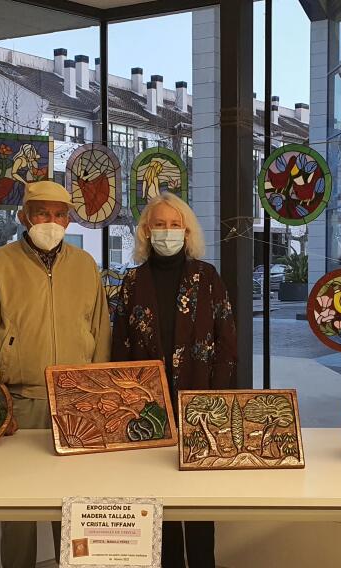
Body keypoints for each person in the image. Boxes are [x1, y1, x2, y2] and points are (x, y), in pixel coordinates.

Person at [0, 180, 111, 568]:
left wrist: (95, 398)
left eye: (60, 214)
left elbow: (100, 334)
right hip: (20, 401)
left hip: (75, 403)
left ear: (69, 218)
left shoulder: (84, 265)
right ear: (24, 215)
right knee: (17, 509)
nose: (52, 221)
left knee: (75, 506)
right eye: (43, 213)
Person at [111, 192, 237, 568]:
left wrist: (219, 405)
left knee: (198, 508)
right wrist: (124, 406)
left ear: (186, 229)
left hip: (200, 407)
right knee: (156, 506)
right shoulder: (132, 281)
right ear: (146, 231)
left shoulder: (207, 276)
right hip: (147, 412)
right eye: (159, 225)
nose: (167, 232)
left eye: (175, 224)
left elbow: (226, 343)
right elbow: (120, 345)